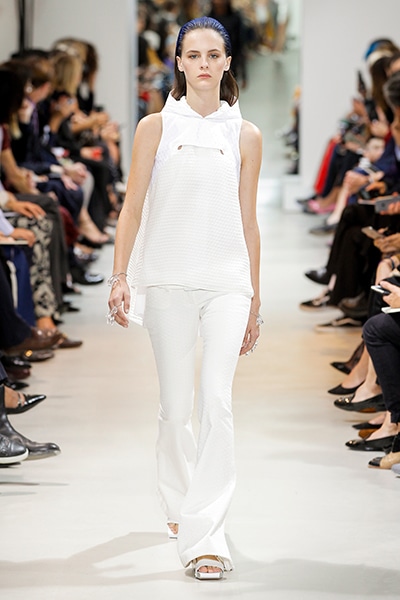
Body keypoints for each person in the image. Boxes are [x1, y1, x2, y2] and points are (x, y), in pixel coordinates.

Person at [107, 17, 262, 580]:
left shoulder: (245, 135)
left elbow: (248, 221)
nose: (202, 64)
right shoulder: (155, 127)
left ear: (227, 63)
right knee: (176, 409)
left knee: (216, 404)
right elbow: (132, 207)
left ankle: (206, 539)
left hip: (226, 284)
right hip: (168, 279)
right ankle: (179, 501)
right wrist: (119, 275)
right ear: (178, 62)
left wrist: (254, 299)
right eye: (192, 55)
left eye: (213, 54)